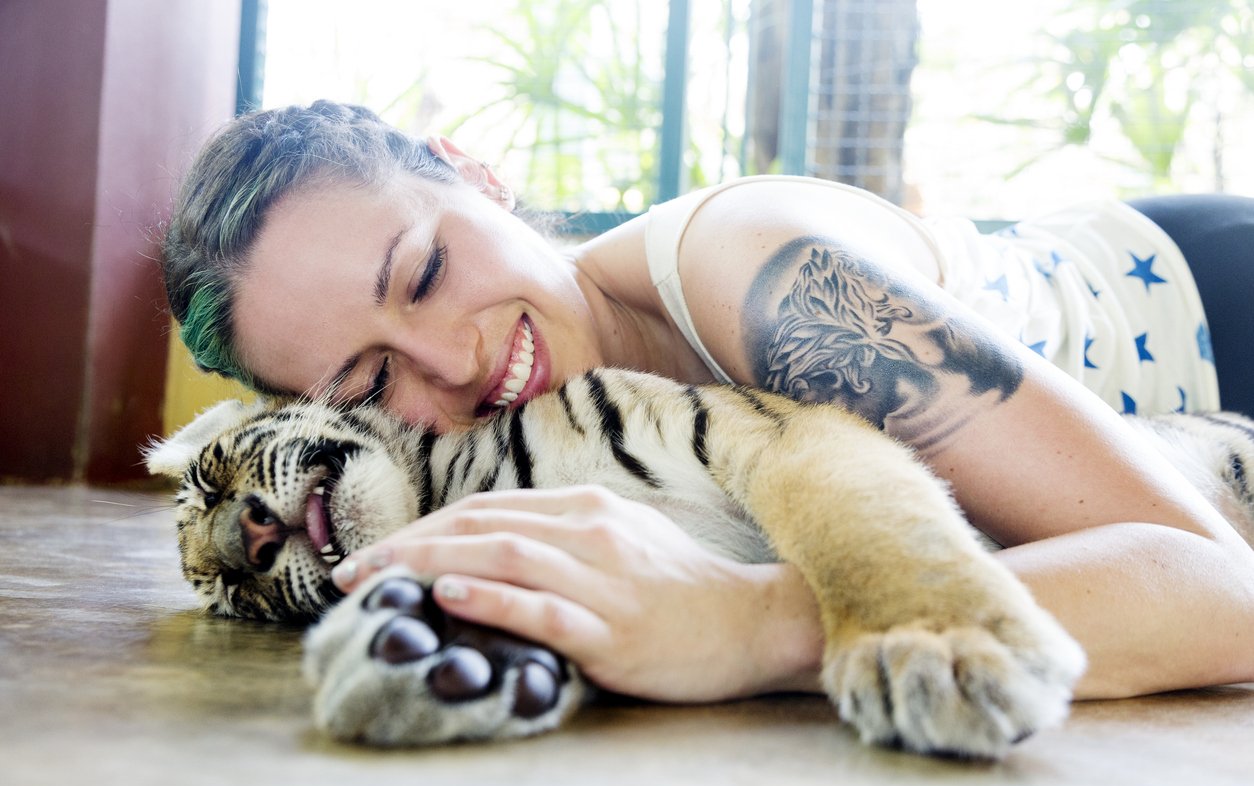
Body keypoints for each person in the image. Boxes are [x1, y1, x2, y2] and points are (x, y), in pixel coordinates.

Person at [162, 100, 1254, 704]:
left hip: (1216, 305)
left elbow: (1224, 591)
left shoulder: (762, 278)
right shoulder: (506, 444)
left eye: (427, 272)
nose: (452, 363)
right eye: (370, 383)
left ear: (476, 173)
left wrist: (752, 622)